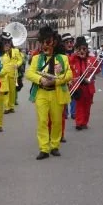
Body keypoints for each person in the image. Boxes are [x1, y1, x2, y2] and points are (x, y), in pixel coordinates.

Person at [25, 26, 72, 159]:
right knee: (42, 121)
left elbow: (69, 74)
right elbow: (29, 73)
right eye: (43, 42)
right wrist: (41, 80)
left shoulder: (63, 58)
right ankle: (44, 148)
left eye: (48, 42)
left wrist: (57, 79)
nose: (45, 45)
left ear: (54, 43)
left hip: (57, 93)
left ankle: (55, 146)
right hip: (41, 93)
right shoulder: (36, 59)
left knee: (57, 121)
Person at [69, 36, 97, 130]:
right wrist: (74, 54)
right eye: (79, 49)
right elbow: (68, 63)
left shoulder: (91, 59)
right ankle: (79, 122)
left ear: (87, 49)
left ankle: (84, 122)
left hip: (88, 86)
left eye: (84, 49)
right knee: (79, 106)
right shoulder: (74, 58)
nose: (82, 51)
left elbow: (97, 69)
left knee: (87, 106)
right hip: (78, 86)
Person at [0, 31, 23, 130]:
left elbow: (20, 60)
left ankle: (11, 106)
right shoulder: (0, 52)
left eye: (8, 41)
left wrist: (18, 64)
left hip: (13, 74)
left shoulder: (15, 51)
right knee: (5, 91)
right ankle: (6, 107)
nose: (7, 43)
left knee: (12, 91)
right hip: (3, 75)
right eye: (5, 41)